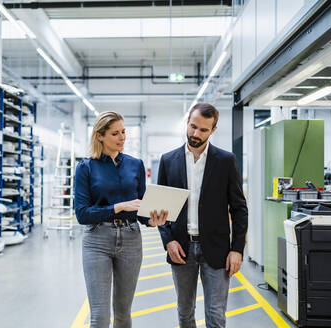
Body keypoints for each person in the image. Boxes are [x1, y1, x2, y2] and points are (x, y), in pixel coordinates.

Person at [156, 103, 248, 328]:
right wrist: (168, 241)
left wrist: (237, 249)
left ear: (213, 130)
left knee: (216, 315)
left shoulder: (225, 161)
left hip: (217, 249)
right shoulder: (168, 160)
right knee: (185, 312)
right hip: (181, 248)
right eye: (193, 127)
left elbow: (239, 208)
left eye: (203, 130)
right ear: (187, 122)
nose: (196, 134)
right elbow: (160, 210)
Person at [74, 111, 167, 328]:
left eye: (124, 132)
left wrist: (152, 220)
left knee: (124, 313)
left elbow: (142, 208)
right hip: (97, 240)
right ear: (100, 136)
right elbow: (82, 214)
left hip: (131, 239)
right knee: (99, 316)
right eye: (115, 133)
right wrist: (118, 207)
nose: (122, 137)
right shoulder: (86, 167)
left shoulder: (135, 165)